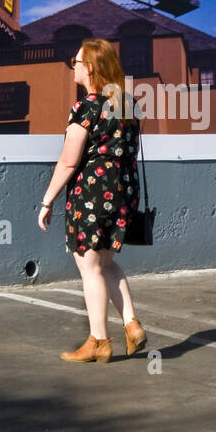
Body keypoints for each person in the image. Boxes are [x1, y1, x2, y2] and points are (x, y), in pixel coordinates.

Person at [37, 38, 145, 364]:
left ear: (91, 69)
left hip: (93, 195)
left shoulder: (86, 107)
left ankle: (98, 341)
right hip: (123, 193)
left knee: (89, 266)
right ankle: (131, 324)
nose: (75, 65)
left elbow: (69, 162)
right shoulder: (128, 106)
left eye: (78, 61)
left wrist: (47, 201)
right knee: (105, 264)